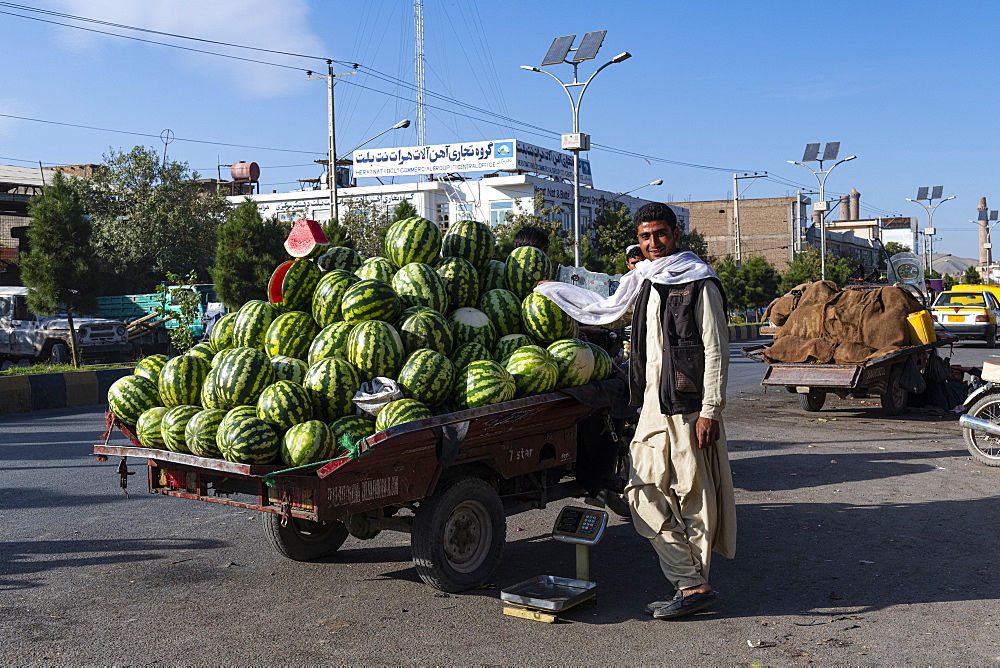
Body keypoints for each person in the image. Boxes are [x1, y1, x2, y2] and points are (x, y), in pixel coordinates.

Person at [534, 202, 736, 620]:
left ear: (676, 235)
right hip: (650, 408)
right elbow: (604, 309)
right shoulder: (643, 280)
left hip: (687, 408)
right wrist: (552, 290)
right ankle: (691, 580)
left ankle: (692, 585)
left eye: (660, 234)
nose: (653, 243)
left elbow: (717, 350)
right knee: (641, 492)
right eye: (645, 236)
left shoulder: (700, 282)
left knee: (691, 497)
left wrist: (710, 412)